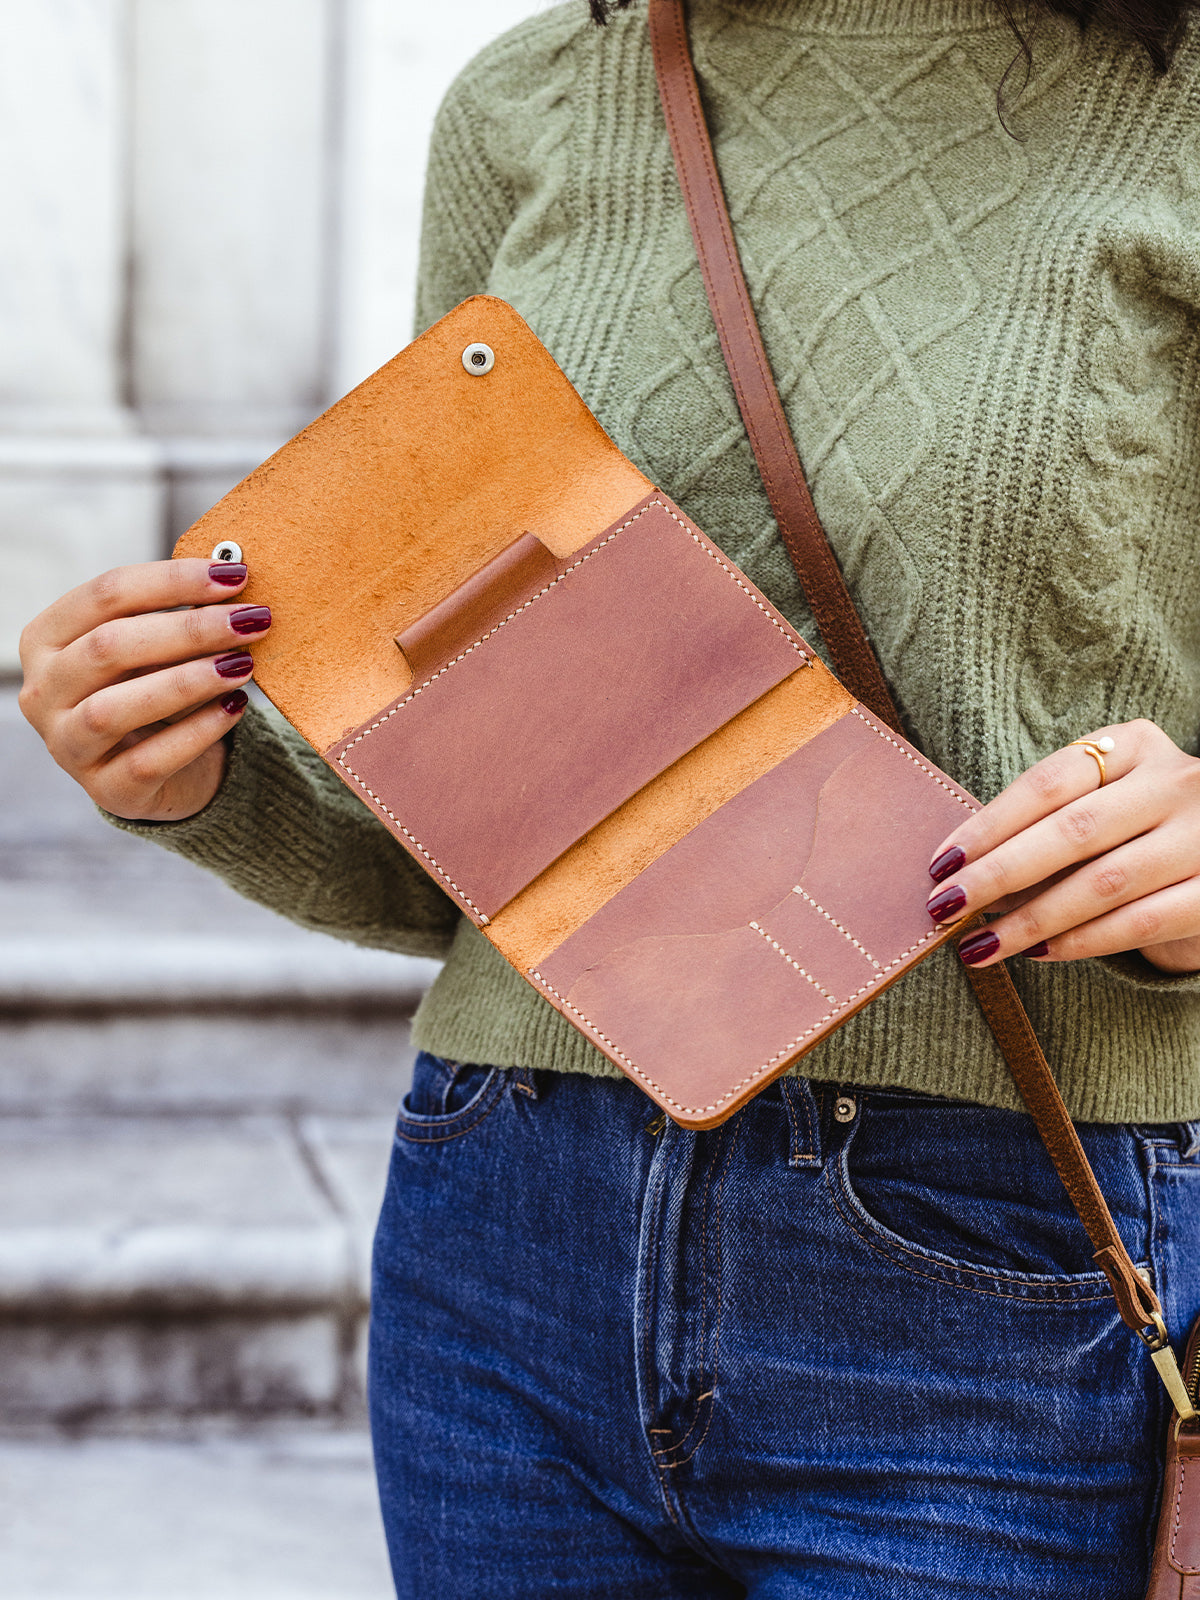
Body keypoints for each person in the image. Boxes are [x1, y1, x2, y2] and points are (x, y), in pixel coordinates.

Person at [17, 0, 1200, 1592]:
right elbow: (462, 839)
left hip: (994, 1257)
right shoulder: (532, 102)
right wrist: (193, 777)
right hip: (504, 1219)